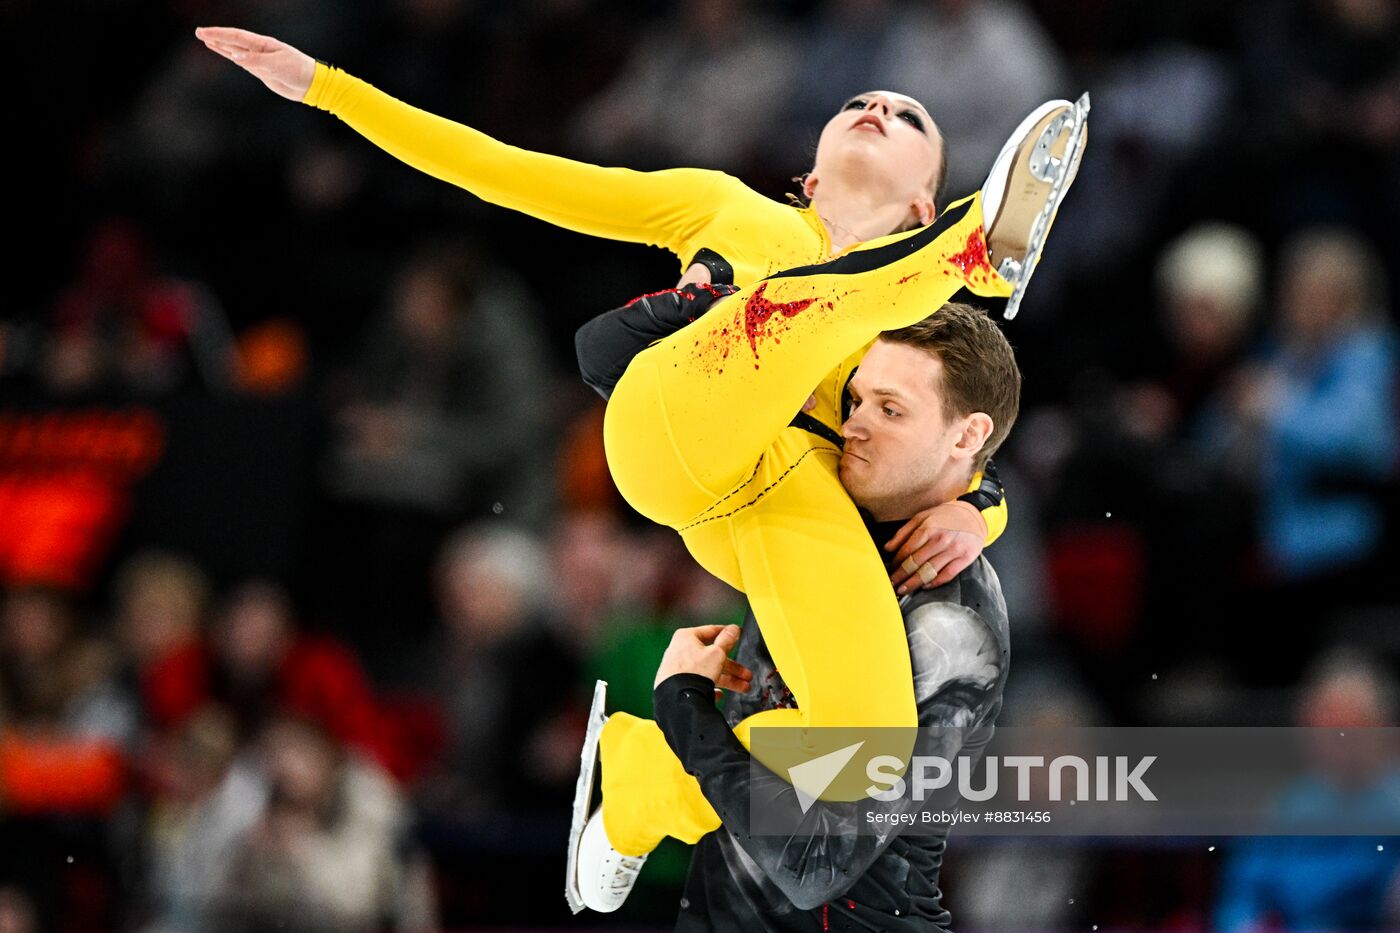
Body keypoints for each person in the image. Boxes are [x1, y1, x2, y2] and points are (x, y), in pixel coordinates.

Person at [192, 25, 1085, 901]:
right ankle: (983, 249)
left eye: (906, 116)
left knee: (867, 759)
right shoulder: (729, 210)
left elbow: (959, 449)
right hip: (681, 415)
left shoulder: (925, 336)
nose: (877, 106)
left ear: (920, 204)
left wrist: (979, 512)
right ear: (810, 173)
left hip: (777, 503)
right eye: (860, 99)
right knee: (780, 312)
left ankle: (648, 782)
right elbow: (508, 172)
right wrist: (329, 87)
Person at [611, 302, 1021, 929]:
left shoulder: (951, 623)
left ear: (967, 437)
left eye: (890, 410)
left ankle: (637, 784)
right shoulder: (826, 509)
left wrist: (683, 709)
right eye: (855, 401)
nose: (853, 426)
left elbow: (817, 861)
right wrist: (984, 505)